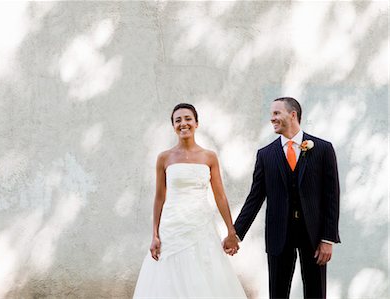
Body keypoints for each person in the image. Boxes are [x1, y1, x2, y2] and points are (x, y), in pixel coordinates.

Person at [133, 103, 246, 298]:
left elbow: (220, 195)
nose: (183, 123)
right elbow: (160, 197)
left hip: (200, 224)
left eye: (188, 119)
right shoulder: (164, 158)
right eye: (178, 120)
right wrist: (155, 234)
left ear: (196, 123)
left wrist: (231, 231)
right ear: (173, 126)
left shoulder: (209, 157)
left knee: (204, 273)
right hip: (172, 226)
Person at [232, 97, 340, 299]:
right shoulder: (265, 155)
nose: (272, 118)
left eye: (276, 113)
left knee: (316, 293)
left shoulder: (323, 149)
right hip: (278, 234)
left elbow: (331, 197)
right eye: (271, 114)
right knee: (278, 293)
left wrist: (328, 238)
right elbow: (255, 197)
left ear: (293, 114)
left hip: (314, 235)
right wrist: (236, 233)